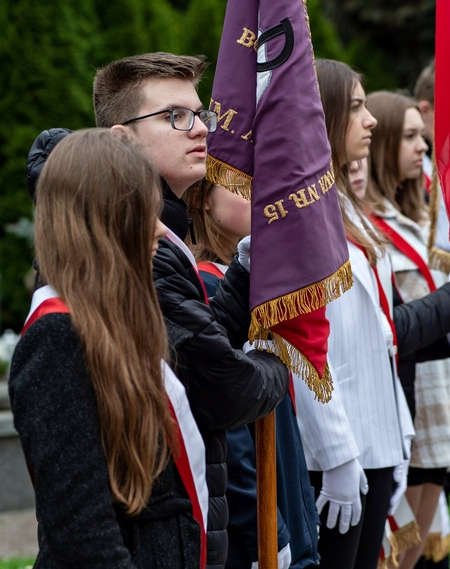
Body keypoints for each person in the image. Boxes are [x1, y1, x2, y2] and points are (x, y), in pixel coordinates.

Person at [94, 52, 290, 569]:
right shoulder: (134, 242)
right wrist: (277, 363)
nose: (199, 129)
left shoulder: (159, 225)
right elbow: (223, 388)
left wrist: (248, 264)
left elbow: (198, 348)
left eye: (199, 114)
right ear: (121, 139)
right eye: (174, 116)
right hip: (156, 526)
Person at [293, 58, 450, 569]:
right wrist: (336, 455)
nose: (370, 119)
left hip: (378, 436)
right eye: (356, 108)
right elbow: (307, 344)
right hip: (343, 446)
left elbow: (377, 329)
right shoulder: (306, 214)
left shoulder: (344, 209)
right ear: (322, 118)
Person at [10, 129, 206, 567]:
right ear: (105, 221)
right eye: (144, 213)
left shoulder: (113, 321)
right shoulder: (57, 339)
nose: (160, 230)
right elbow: (83, 535)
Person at [184, 178, 320, 569]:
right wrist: (269, 529)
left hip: (283, 474)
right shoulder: (207, 285)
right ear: (202, 200)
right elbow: (233, 434)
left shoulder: (240, 276)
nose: (259, 196)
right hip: (254, 509)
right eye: (240, 186)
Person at [362, 90, 450, 569]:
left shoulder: (414, 215)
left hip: (436, 382)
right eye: (408, 137)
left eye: (421, 136)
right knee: (399, 537)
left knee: (424, 515)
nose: (422, 146)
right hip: (409, 386)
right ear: (381, 143)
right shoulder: (370, 224)